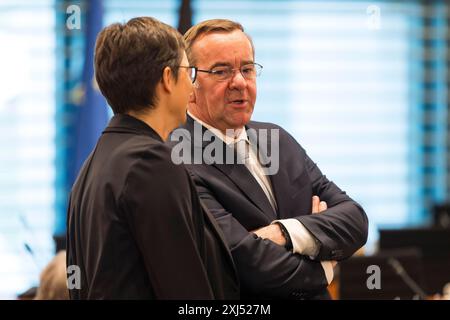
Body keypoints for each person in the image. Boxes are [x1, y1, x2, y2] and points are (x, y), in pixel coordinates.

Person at [169, 19, 368, 299]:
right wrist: (323, 267)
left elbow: (355, 219)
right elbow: (245, 263)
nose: (239, 82)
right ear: (189, 83)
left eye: (247, 69)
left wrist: (285, 232)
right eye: (221, 71)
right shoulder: (178, 159)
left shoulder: (277, 139)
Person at [66, 17, 239, 299]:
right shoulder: (150, 163)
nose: (193, 87)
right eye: (189, 72)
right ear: (168, 78)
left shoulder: (92, 166)